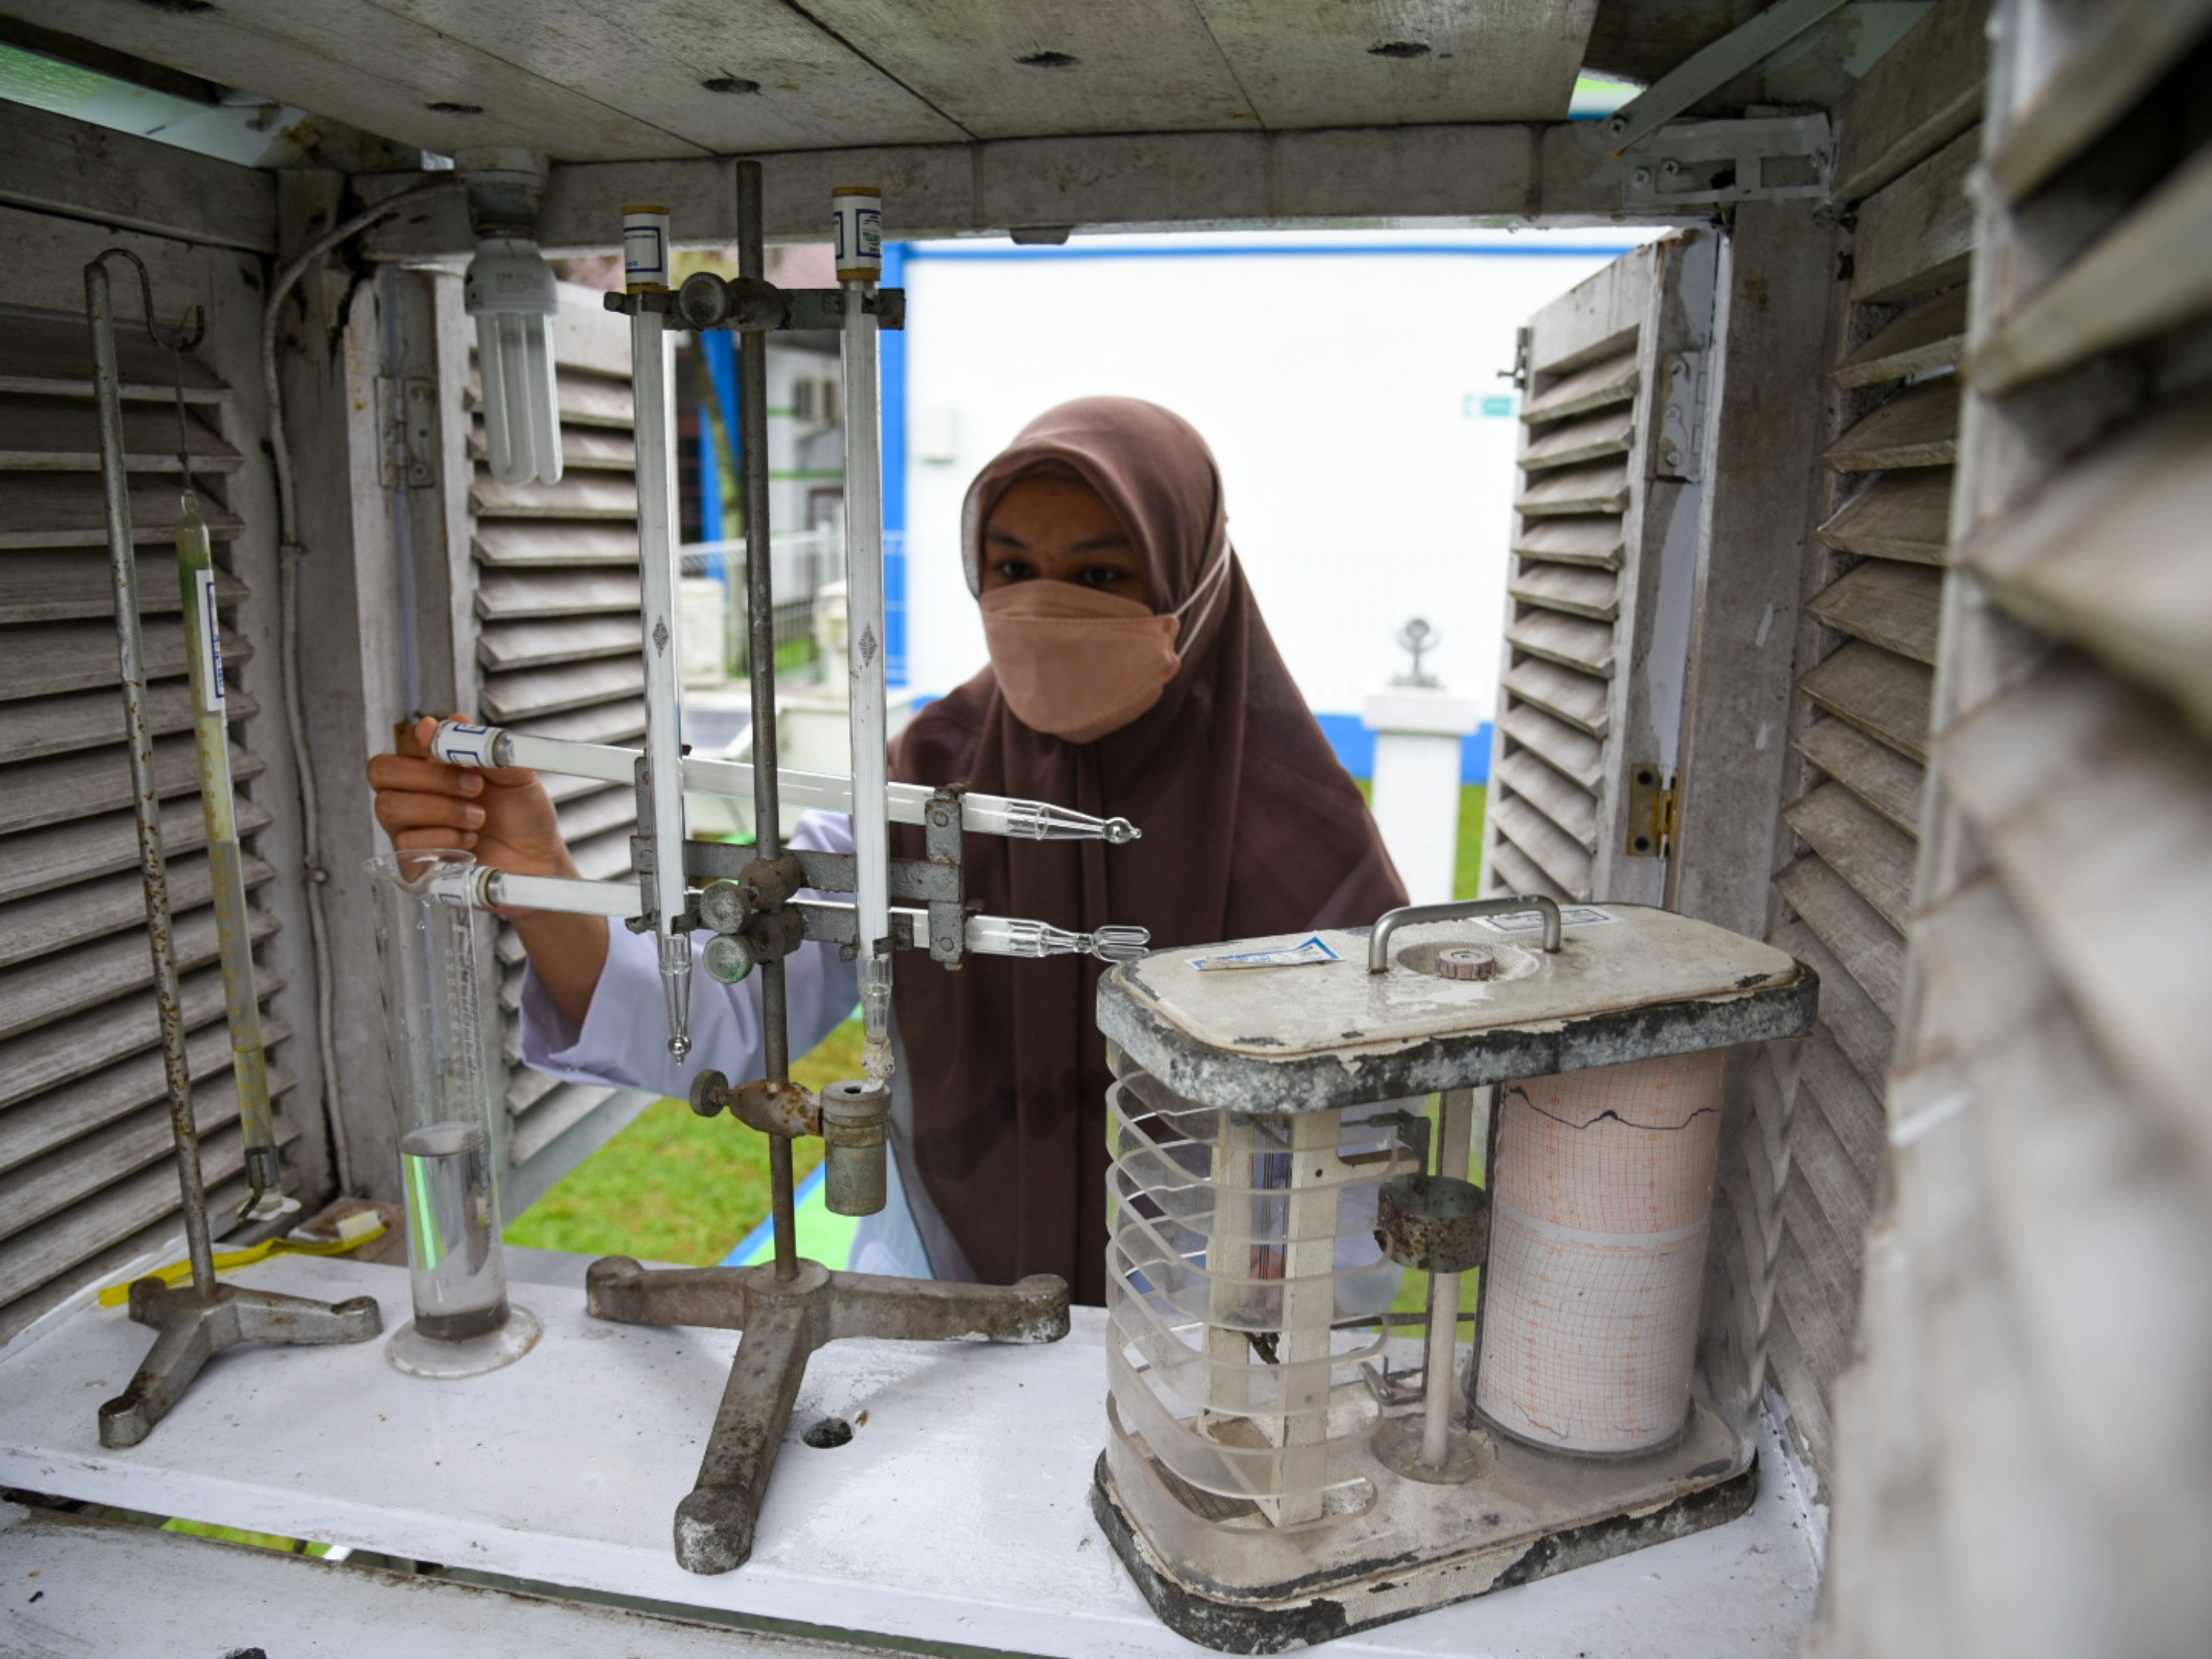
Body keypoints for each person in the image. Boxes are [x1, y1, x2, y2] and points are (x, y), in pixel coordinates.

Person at [369, 396, 1406, 1304]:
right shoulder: (931, 777)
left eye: (1100, 573)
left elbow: (1360, 1184)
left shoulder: (1302, 843)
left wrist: (1230, 1320)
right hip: (939, 1300)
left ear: (1195, 579)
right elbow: (733, 1009)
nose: (1044, 609)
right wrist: (542, 881)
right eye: (1013, 569)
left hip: (1207, 1345)